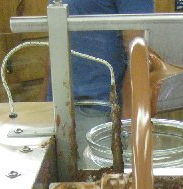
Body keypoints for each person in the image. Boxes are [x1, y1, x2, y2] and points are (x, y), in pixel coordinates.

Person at [52, 0, 154, 165]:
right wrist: (42, 104)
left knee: (98, 179)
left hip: (99, 113)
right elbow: (54, 42)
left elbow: (138, 53)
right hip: (56, 108)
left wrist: (128, 125)